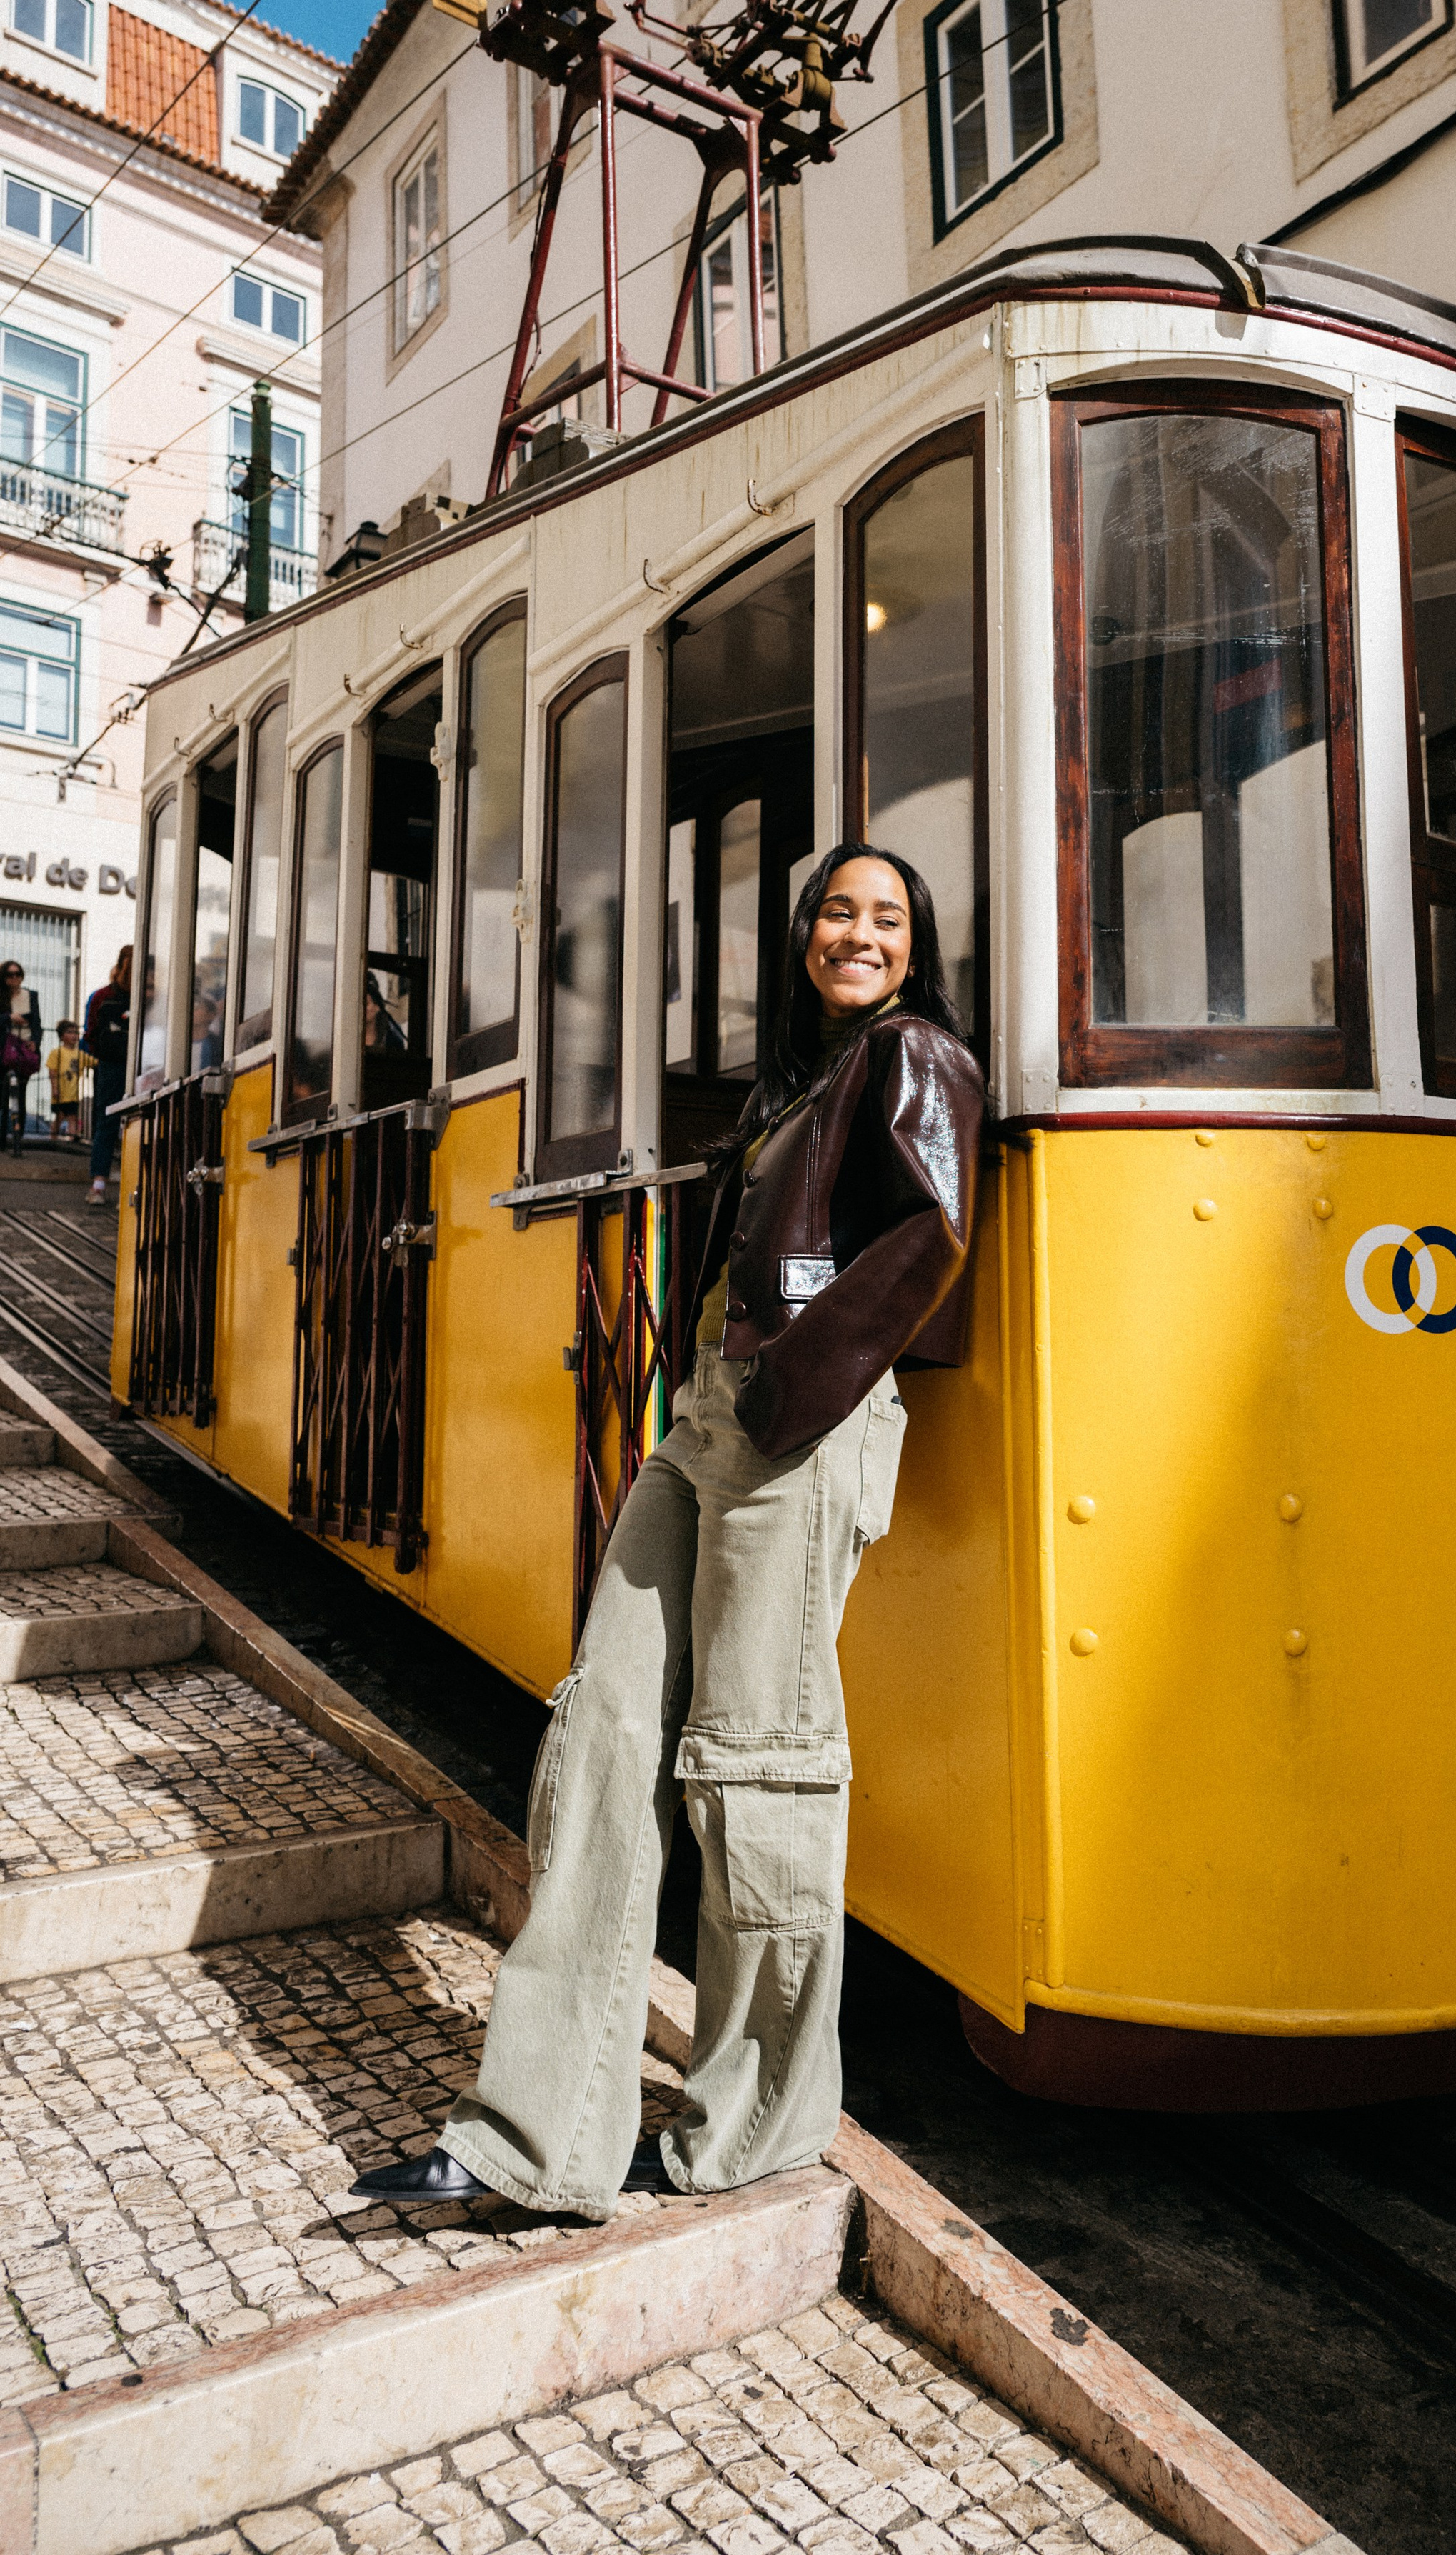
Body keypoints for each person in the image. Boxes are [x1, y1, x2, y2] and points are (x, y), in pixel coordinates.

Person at [352, 847, 984, 2216]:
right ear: (804, 933)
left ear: (916, 943)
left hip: (794, 1423)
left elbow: (931, 1236)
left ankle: (754, 2127)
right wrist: (725, 1393)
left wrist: (787, 1390)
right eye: (837, 910)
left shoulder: (918, 1056)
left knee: (757, 1768)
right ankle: (536, 2137)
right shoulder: (802, 1078)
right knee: (603, 1734)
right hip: (709, 1417)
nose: (859, 932)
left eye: (887, 916)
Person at [81, 945, 133, 1204]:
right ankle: (99, 1183)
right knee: (108, 1122)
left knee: (108, 1123)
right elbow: (90, 1034)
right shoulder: (103, 996)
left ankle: (100, 1185)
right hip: (115, 1065)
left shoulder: (103, 996)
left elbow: (89, 1035)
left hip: (115, 1065)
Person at [0, 964, 41, 1158]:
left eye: (18, 974)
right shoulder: (2, 996)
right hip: (4, 1050)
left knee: (21, 1094)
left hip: (23, 1050)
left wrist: (35, 1042)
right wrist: (9, 1017)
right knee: (3, 1095)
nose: (15, 978)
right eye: (10, 975)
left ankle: (19, 1138)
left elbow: (37, 1023)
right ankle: (2, 1139)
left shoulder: (31, 996)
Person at [47, 1021, 85, 1142]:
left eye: (76, 1033)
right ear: (62, 1036)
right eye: (70, 1032)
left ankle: (72, 1139)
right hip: (61, 1093)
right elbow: (52, 1072)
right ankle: (53, 1139)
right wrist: (55, 1088)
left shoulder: (80, 1054)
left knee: (73, 1116)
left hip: (73, 1094)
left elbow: (93, 1062)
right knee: (60, 1116)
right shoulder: (56, 1053)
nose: (74, 1035)